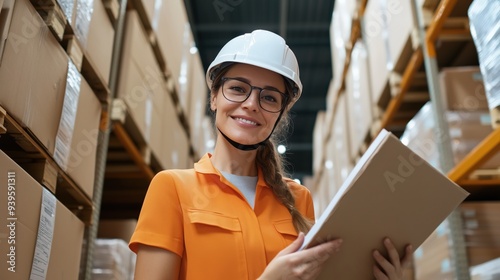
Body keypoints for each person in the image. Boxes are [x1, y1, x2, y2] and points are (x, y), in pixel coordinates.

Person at [129, 29, 413, 280]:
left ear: (280, 114)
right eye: (237, 89)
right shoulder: (172, 189)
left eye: (268, 97)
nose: (251, 104)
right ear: (214, 97)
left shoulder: (299, 200)